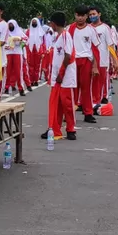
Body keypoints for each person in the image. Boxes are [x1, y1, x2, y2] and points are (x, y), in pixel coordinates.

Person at [44, 11, 77, 141]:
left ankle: (71, 129)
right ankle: (53, 128)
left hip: (65, 76)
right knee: (55, 104)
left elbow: (68, 56)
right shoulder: (56, 37)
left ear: (53, 23)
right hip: (57, 77)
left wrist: (61, 73)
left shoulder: (65, 36)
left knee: (67, 104)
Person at [68, 5, 100, 123]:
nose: (80, 18)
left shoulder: (91, 30)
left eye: (83, 16)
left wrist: (95, 66)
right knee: (72, 88)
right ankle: (69, 112)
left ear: (86, 16)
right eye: (78, 15)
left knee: (86, 88)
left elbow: (95, 49)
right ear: (75, 15)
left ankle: (88, 113)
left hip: (86, 60)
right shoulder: (70, 29)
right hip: (72, 61)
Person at [89, 6, 115, 105]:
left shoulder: (105, 28)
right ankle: (90, 102)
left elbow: (111, 45)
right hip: (90, 60)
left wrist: (114, 61)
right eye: (90, 15)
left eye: (94, 14)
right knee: (90, 83)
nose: (92, 16)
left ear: (99, 14)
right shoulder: (88, 28)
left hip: (102, 60)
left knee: (100, 82)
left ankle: (98, 101)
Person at [4, 19, 26, 96]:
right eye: (9, 25)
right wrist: (7, 46)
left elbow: (25, 40)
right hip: (8, 53)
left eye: (12, 25)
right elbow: (2, 42)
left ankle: (21, 89)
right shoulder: (5, 33)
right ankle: (6, 87)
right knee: (8, 72)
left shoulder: (19, 32)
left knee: (18, 72)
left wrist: (20, 41)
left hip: (17, 53)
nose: (10, 26)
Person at [25, 18, 44, 87]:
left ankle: (36, 80)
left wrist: (42, 52)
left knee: (37, 66)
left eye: (35, 22)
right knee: (30, 65)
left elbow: (43, 42)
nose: (34, 23)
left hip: (38, 49)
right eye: (33, 22)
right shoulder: (28, 31)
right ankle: (31, 80)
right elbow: (26, 40)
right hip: (30, 50)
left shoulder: (41, 32)